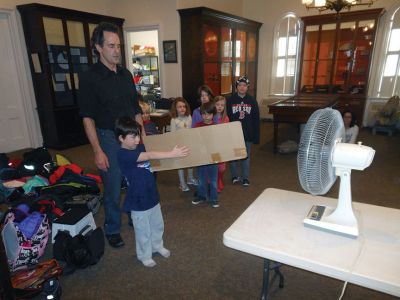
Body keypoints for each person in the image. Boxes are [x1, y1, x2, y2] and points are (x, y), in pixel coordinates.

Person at [78, 22, 144, 248]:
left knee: (136, 181)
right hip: (108, 137)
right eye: (111, 46)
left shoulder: (126, 74)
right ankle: (113, 227)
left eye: (118, 45)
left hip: (132, 135)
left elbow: (136, 109)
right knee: (114, 186)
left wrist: (141, 138)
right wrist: (97, 151)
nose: (117, 50)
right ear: (98, 47)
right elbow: (87, 117)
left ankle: (135, 216)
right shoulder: (89, 77)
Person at [115, 116, 189, 267]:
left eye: (138, 135)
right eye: (133, 136)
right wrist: (171, 154)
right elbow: (149, 156)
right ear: (121, 138)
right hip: (137, 201)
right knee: (143, 230)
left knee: (157, 225)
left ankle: (157, 246)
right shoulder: (122, 154)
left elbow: (153, 149)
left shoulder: (140, 147)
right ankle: (144, 255)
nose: (137, 140)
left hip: (152, 195)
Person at [226, 75, 260, 187]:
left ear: (247, 87)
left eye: (244, 85)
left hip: (247, 133)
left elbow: (256, 119)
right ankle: (235, 176)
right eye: (239, 85)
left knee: (246, 156)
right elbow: (227, 118)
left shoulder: (252, 101)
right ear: (236, 87)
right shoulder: (230, 100)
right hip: (233, 133)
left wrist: (256, 136)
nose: (242, 87)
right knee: (233, 156)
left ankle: (245, 177)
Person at [192, 102, 219, 208]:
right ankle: (201, 195)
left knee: (213, 180)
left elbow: (218, 143)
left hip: (213, 157)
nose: (206, 116)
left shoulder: (216, 127)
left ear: (213, 115)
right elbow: (194, 141)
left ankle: (214, 198)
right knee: (201, 179)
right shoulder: (197, 126)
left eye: (208, 114)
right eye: (203, 114)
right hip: (201, 157)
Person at [170, 97, 198, 192]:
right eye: (179, 107)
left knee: (190, 162)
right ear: (175, 108)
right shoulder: (174, 120)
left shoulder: (189, 117)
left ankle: (190, 178)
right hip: (179, 146)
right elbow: (173, 135)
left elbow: (191, 130)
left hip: (189, 143)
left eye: (183, 106)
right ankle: (182, 183)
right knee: (181, 164)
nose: (182, 108)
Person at [214, 95, 229, 192]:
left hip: (222, 146)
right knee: (214, 166)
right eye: (217, 104)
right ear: (214, 105)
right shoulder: (211, 117)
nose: (220, 107)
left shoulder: (226, 118)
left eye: (222, 105)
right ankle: (215, 181)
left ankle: (219, 179)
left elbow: (228, 132)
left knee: (222, 168)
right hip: (214, 146)